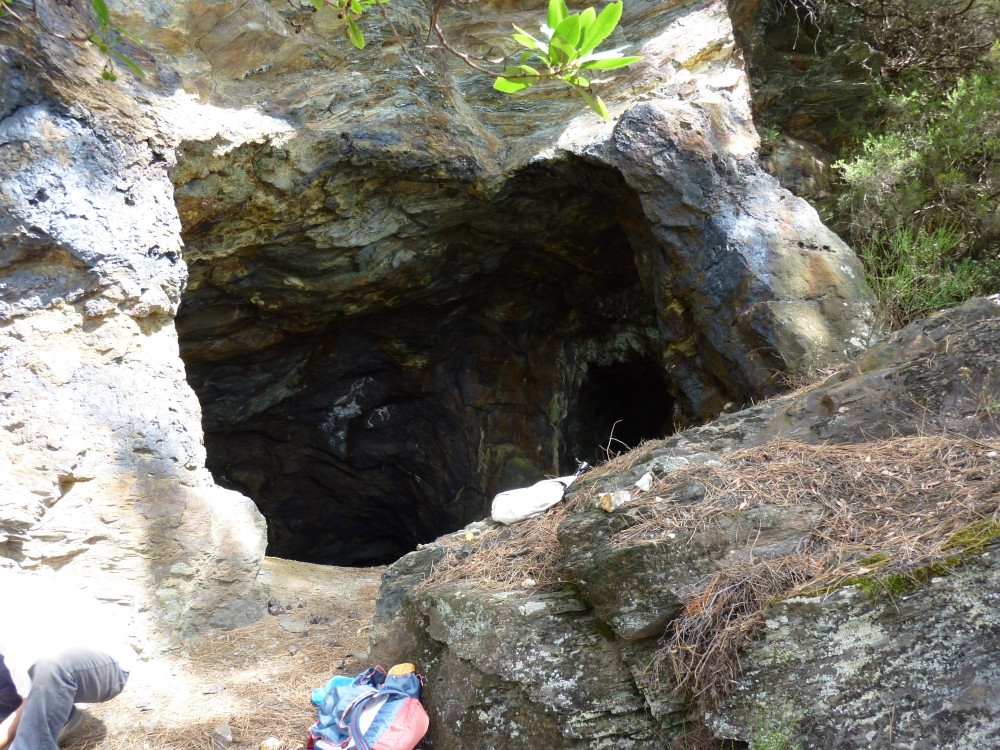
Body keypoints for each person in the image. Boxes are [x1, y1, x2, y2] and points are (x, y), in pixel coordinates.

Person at [0, 568, 135, 750]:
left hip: (105, 666)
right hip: (49, 665)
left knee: (51, 665)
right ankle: (63, 717)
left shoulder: (13, 616)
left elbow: (31, 697)